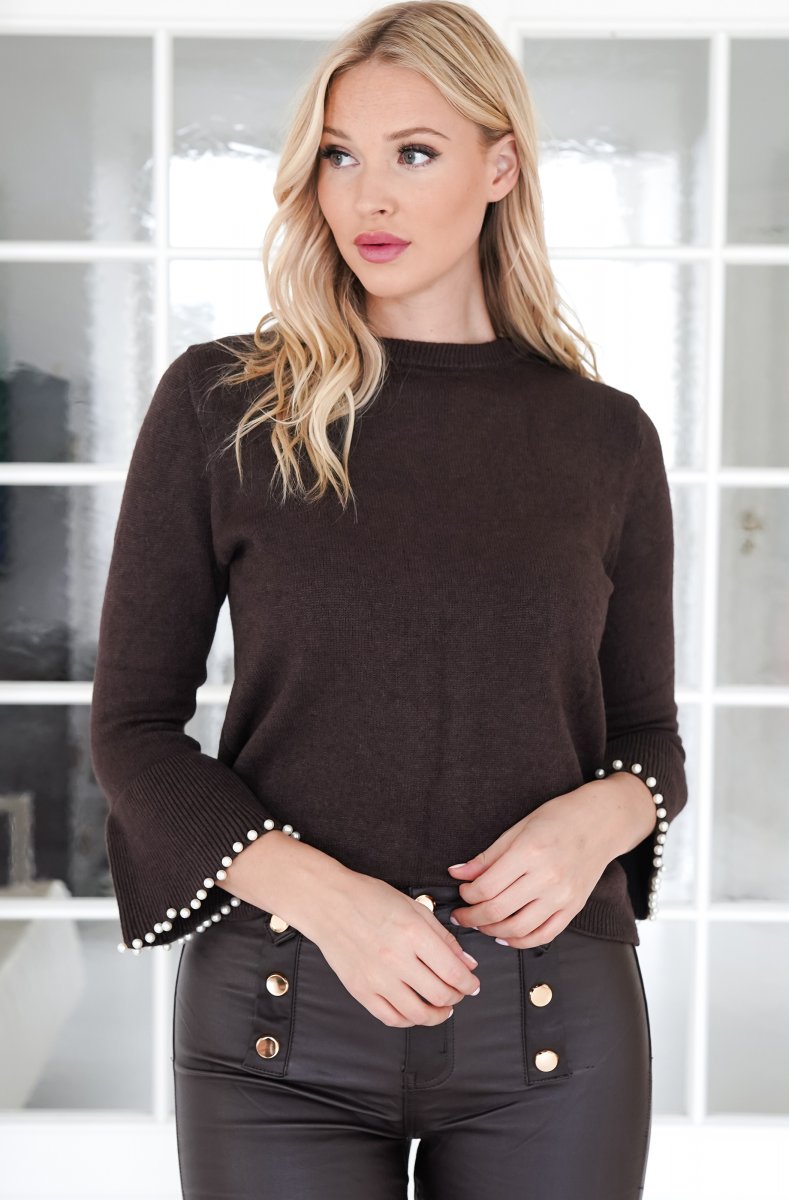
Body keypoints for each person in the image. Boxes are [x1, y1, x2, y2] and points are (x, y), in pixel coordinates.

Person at [89, 2, 688, 1196]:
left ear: (500, 167)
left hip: (551, 1029)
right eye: (338, 155)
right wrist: (331, 901)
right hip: (276, 1023)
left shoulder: (605, 438)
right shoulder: (225, 404)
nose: (368, 195)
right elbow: (133, 732)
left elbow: (647, 739)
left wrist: (602, 817)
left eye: (414, 152)